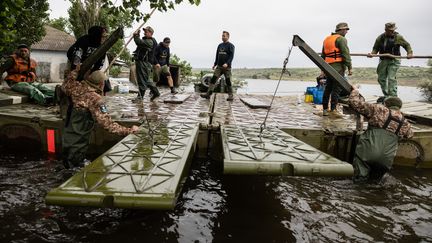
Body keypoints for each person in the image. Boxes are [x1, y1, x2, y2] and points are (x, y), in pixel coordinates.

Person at [61, 70, 139, 168]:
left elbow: (65, 84)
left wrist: (76, 70)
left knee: (68, 158)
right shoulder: (95, 99)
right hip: (78, 142)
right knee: (75, 164)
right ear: (101, 83)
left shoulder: (76, 86)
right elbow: (107, 124)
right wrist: (129, 131)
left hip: (69, 136)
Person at [348, 85, 413, 183]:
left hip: (368, 152)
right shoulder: (405, 122)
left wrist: (355, 91)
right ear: (399, 107)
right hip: (386, 159)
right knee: (375, 184)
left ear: (386, 104)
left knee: (359, 182)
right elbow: (409, 135)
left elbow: (354, 103)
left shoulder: (379, 109)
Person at [368, 22, 413, 102]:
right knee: (381, 78)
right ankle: (387, 95)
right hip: (383, 60)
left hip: (394, 59)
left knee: (391, 77)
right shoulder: (380, 38)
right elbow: (375, 49)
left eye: (393, 30)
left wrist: (409, 53)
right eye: (390, 30)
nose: (392, 32)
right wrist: (372, 54)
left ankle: (393, 97)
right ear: (386, 30)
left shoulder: (398, 37)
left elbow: (407, 45)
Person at [66, 26, 112, 94]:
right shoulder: (84, 41)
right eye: (102, 36)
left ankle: (96, 94)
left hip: (89, 65)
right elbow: (76, 57)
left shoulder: (102, 46)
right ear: (97, 36)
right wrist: (77, 68)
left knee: (98, 78)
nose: (104, 38)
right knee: (73, 79)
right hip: (74, 61)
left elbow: (100, 63)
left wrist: (91, 72)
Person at [320, 22, 353, 117]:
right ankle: (333, 109)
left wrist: (322, 69)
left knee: (328, 88)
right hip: (338, 67)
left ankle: (325, 109)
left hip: (327, 67)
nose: (347, 31)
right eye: (346, 29)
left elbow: (323, 55)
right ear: (341, 30)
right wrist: (350, 67)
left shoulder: (327, 39)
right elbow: (345, 54)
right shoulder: (341, 39)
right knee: (336, 89)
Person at [200, 31, 235, 101]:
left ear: (228, 37)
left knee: (228, 81)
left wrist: (227, 63)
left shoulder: (231, 46)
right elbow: (217, 56)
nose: (222, 37)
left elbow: (231, 56)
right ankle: (208, 94)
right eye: (222, 36)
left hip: (227, 67)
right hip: (219, 67)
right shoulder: (220, 45)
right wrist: (215, 64)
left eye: (224, 36)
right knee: (213, 79)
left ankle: (231, 95)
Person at [133, 26, 160, 101]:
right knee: (147, 80)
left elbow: (138, 42)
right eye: (144, 31)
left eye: (146, 31)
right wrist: (137, 35)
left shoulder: (149, 41)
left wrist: (135, 36)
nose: (144, 33)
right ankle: (156, 93)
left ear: (151, 33)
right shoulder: (148, 40)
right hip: (145, 63)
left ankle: (140, 97)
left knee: (141, 79)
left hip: (143, 63)